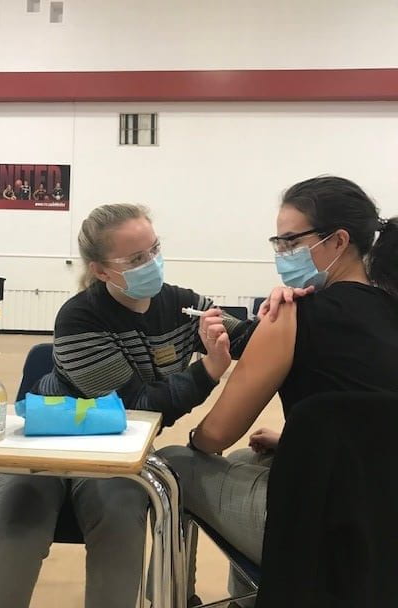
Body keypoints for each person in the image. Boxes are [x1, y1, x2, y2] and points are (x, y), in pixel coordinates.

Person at [0, 203, 267, 608]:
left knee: (120, 528)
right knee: (20, 534)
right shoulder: (80, 317)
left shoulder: (183, 304)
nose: (152, 263)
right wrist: (208, 371)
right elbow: (135, 408)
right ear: (100, 271)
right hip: (44, 441)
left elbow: (252, 342)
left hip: (114, 449)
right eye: (135, 259)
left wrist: (280, 313)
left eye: (154, 249)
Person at [159, 175, 398, 604]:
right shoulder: (389, 310)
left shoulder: (291, 314)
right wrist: (298, 439)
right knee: (245, 458)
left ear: (338, 240)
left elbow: (216, 435)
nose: (282, 253)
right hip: (384, 522)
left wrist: (196, 438)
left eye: (291, 241)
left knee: (173, 463)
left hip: (324, 529)